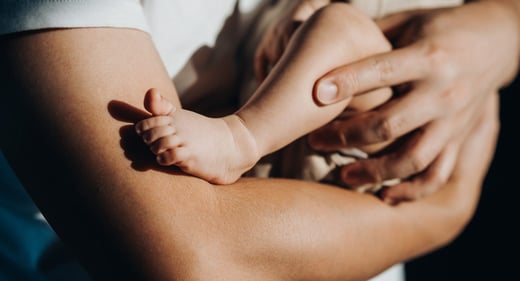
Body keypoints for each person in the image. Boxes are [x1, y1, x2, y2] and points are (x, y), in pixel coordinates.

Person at [0, 1, 512, 281]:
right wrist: (439, 217)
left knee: (347, 52)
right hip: (330, 205)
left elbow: (348, 33)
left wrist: (504, 28)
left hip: (351, 176)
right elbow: (197, 262)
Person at [134, 1, 396, 190]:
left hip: (351, 131)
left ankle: (240, 140)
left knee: (343, 26)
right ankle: (227, 138)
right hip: (262, 107)